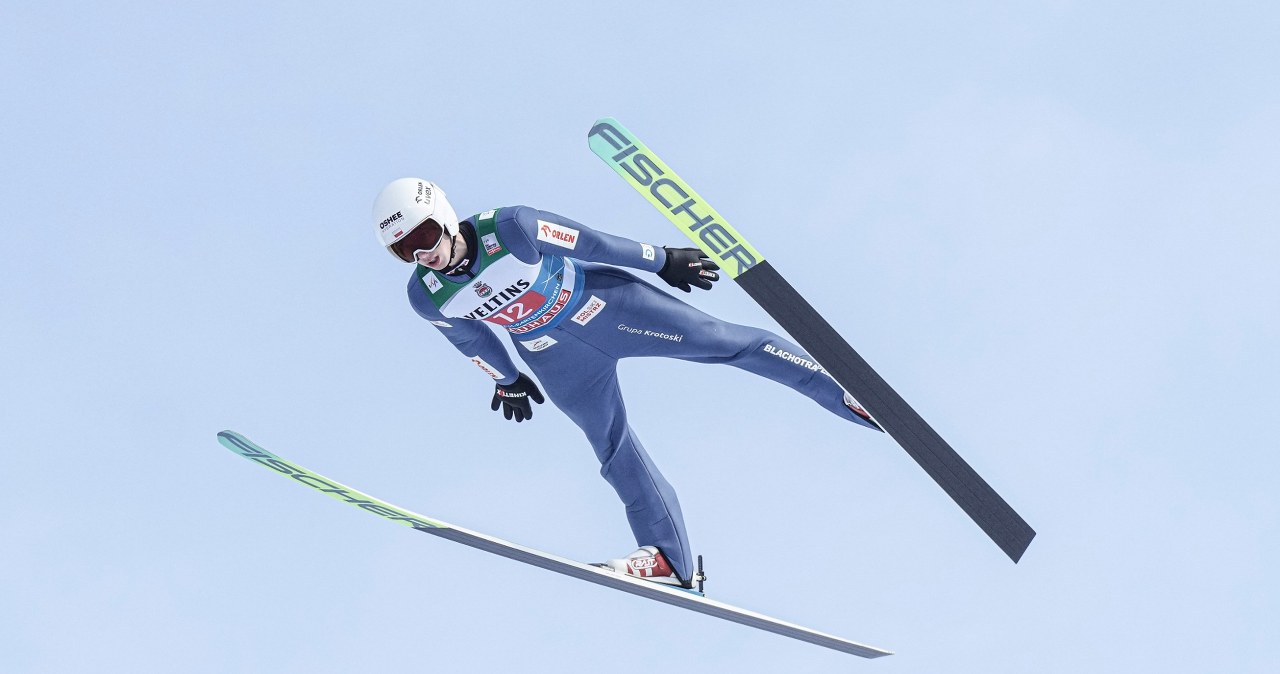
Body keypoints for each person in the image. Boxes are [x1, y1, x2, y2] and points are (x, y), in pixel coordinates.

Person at [373, 178, 880, 588]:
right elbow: (470, 341)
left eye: (422, 238)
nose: (422, 255)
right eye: (404, 251)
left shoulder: (512, 228)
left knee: (727, 342)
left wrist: (661, 259)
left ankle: (847, 395)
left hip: (609, 306)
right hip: (556, 358)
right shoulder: (428, 297)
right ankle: (668, 559)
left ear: (443, 214)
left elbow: (591, 241)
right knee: (612, 447)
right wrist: (505, 378)